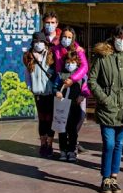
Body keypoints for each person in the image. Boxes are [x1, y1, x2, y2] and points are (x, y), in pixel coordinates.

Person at [89, 25, 123, 193]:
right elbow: (92, 80)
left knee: (119, 144)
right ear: (113, 37)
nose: (122, 41)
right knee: (109, 143)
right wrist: (104, 99)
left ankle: (114, 177)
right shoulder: (102, 56)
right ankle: (105, 177)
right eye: (120, 37)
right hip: (107, 107)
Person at [51, 27, 91, 155]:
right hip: (61, 87)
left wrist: (73, 79)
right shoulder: (55, 49)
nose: (66, 39)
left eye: (69, 37)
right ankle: (65, 148)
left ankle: (73, 143)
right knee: (62, 121)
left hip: (76, 86)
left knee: (79, 117)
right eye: (64, 36)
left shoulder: (78, 50)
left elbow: (85, 68)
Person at [23, 31, 57, 157]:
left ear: (45, 43)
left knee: (50, 119)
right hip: (38, 92)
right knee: (42, 119)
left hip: (50, 91)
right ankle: (43, 144)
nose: (38, 44)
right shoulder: (29, 56)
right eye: (36, 42)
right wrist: (29, 86)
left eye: (41, 42)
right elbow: (27, 73)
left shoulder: (51, 54)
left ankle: (50, 144)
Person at [54, 50, 83, 162]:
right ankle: (63, 150)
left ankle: (72, 151)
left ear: (77, 63)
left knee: (72, 131)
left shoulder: (80, 75)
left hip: (74, 106)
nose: (69, 64)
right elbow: (55, 86)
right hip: (62, 106)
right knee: (62, 130)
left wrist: (82, 95)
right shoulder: (60, 75)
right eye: (67, 62)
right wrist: (57, 92)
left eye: (72, 62)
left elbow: (85, 88)